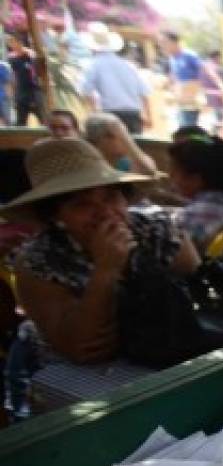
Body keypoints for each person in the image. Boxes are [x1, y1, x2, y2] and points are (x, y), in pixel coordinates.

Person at [4, 137, 200, 364]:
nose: (106, 213)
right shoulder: (36, 263)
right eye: (82, 204)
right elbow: (83, 349)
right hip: (73, 375)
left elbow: (201, 298)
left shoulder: (159, 230)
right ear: (54, 215)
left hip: (165, 353)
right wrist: (105, 270)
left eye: (111, 197)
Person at [168, 135, 223, 254]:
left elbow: (172, 255)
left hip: (206, 272)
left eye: (173, 171)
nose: (170, 176)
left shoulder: (194, 216)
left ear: (195, 179)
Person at [80, 23, 152, 135]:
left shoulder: (94, 65)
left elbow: (86, 92)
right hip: (133, 114)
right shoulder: (128, 65)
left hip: (110, 115)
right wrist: (148, 116)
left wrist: (94, 114)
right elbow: (144, 92)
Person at [84, 113, 157, 177]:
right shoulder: (91, 164)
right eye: (114, 135)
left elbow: (149, 171)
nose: (122, 139)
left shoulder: (125, 161)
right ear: (97, 139)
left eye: (124, 134)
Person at [161, 30, 204, 128]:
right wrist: (167, 85)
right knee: (183, 129)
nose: (162, 46)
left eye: (165, 42)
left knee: (188, 128)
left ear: (174, 42)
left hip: (191, 101)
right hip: (180, 102)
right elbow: (174, 75)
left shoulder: (189, 55)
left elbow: (204, 72)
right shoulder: (172, 59)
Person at [7, 35, 43, 126]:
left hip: (35, 93)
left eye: (14, 42)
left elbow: (38, 73)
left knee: (44, 120)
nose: (12, 45)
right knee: (20, 123)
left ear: (20, 43)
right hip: (21, 95)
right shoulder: (11, 59)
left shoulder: (31, 56)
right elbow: (12, 78)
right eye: (11, 43)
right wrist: (12, 95)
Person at [0, 56, 12, 125]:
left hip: (3, 99)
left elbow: (8, 84)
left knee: (6, 122)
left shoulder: (3, 66)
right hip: (4, 98)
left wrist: (9, 98)